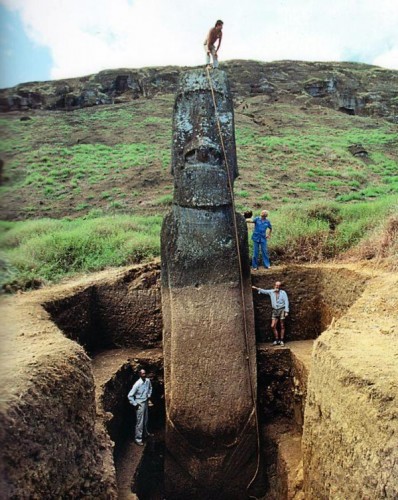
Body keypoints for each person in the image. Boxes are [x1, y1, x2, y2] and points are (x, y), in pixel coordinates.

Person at [252, 281, 289, 346]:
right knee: (273, 326)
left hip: (282, 310)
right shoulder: (271, 292)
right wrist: (256, 288)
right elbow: (264, 291)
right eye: (276, 285)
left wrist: (286, 311)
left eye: (279, 285)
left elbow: (286, 301)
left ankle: (281, 340)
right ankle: (276, 339)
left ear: (280, 286)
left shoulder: (283, 293)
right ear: (274, 285)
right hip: (275, 310)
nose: (277, 286)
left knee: (282, 325)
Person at [127, 368, 153, 446]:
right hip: (139, 403)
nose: (144, 375)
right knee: (140, 422)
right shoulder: (137, 384)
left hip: (145, 402)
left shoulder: (148, 381)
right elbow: (130, 395)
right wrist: (135, 404)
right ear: (140, 374)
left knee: (145, 419)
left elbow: (150, 388)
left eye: (145, 373)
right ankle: (138, 439)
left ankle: (145, 433)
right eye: (142, 374)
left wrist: (148, 396)